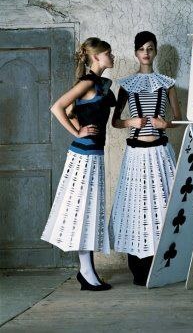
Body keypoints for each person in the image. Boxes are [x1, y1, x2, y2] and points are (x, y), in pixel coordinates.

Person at [41, 37, 116, 291]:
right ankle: (86, 272)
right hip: (83, 157)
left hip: (94, 156)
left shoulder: (102, 84)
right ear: (97, 57)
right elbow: (57, 107)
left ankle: (87, 270)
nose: (112, 56)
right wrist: (76, 132)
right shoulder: (87, 82)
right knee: (84, 212)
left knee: (90, 212)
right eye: (108, 53)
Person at [109, 31, 181, 286]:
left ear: (156, 51)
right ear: (136, 53)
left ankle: (163, 263)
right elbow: (115, 121)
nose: (146, 53)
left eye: (150, 48)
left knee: (162, 205)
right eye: (141, 49)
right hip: (136, 154)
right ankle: (138, 267)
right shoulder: (127, 84)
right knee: (137, 204)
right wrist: (131, 121)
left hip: (160, 152)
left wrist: (166, 123)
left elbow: (178, 119)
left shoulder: (167, 83)